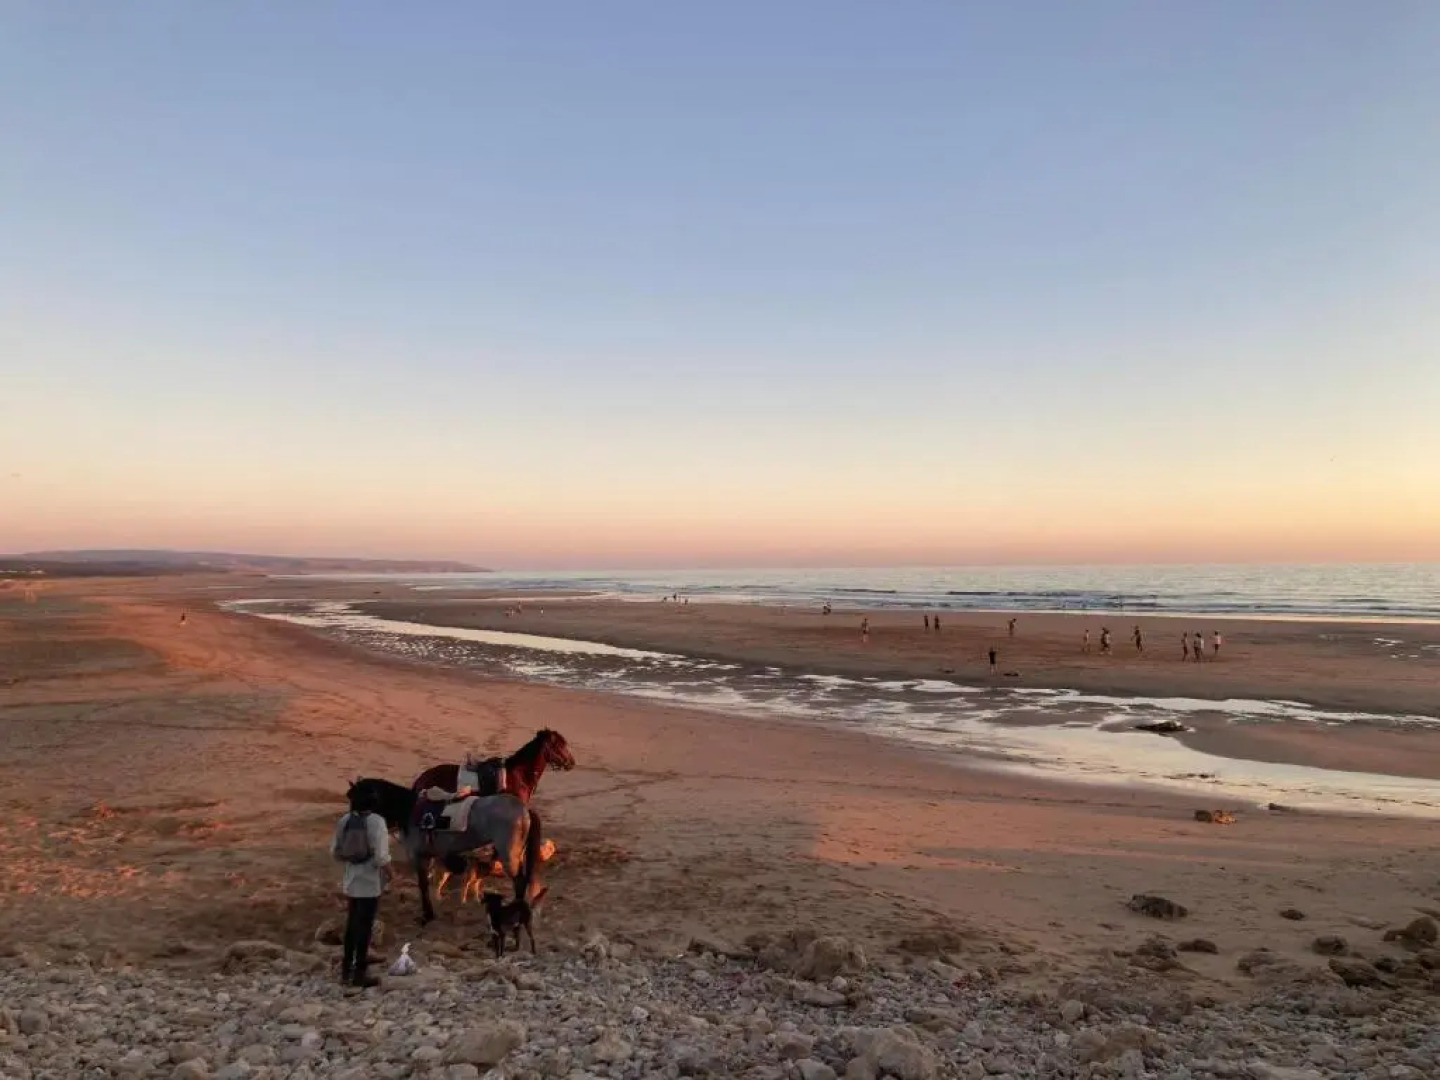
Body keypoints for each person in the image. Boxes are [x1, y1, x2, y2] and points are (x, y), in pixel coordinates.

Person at [330, 786, 392, 988]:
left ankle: (346, 971)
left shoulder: (345, 821)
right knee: (365, 928)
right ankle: (359, 974)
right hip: (370, 881)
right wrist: (393, 875)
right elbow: (381, 857)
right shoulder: (377, 822)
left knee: (351, 925)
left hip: (351, 879)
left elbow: (335, 852)